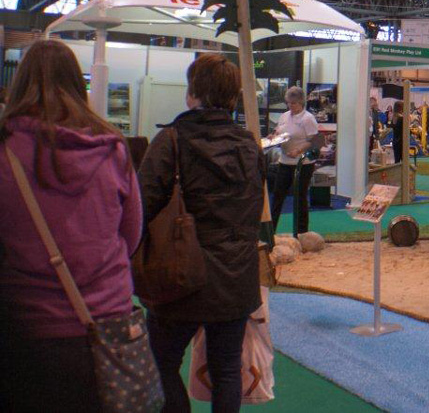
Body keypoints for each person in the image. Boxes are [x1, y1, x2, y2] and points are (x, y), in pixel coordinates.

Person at [0, 40, 146, 412]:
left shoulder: (6, 150)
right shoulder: (112, 148)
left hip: (27, 331)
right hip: (109, 328)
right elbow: (130, 237)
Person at [139, 52, 265, 413]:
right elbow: (253, 209)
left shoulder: (171, 141)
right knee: (227, 370)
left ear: (193, 91)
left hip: (179, 275)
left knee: (160, 361)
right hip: (235, 276)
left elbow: (141, 206)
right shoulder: (248, 146)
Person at [269, 86, 320, 237]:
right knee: (278, 196)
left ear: (301, 102)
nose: (291, 106)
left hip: (302, 164)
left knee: (300, 197)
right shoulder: (284, 116)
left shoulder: (308, 119)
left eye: (294, 103)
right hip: (284, 161)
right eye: (289, 103)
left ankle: (301, 232)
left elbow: (314, 141)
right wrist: (273, 136)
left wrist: (298, 151)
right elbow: (278, 131)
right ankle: (270, 232)